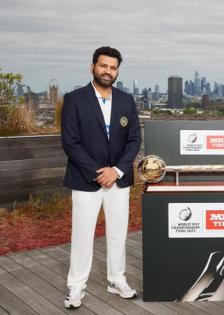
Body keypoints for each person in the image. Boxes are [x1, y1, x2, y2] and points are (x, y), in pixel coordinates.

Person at [61, 46, 141, 309]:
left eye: (113, 67)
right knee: (82, 234)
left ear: (118, 71)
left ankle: (116, 279)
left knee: (118, 233)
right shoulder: (74, 99)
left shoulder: (127, 100)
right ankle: (76, 286)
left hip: (119, 179)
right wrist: (99, 173)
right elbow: (71, 143)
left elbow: (134, 140)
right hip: (86, 179)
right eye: (104, 66)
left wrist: (116, 170)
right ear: (93, 67)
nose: (108, 71)